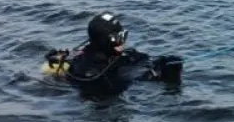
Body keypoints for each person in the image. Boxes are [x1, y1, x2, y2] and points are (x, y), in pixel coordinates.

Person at [43, 12, 182, 93]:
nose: (122, 42)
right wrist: (159, 75)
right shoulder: (91, 70)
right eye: (117, 38)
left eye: (123, 35)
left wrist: (162, 62)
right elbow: (124, 80)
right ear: (103, 41)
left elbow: (137, 61)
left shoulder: (113, 54)